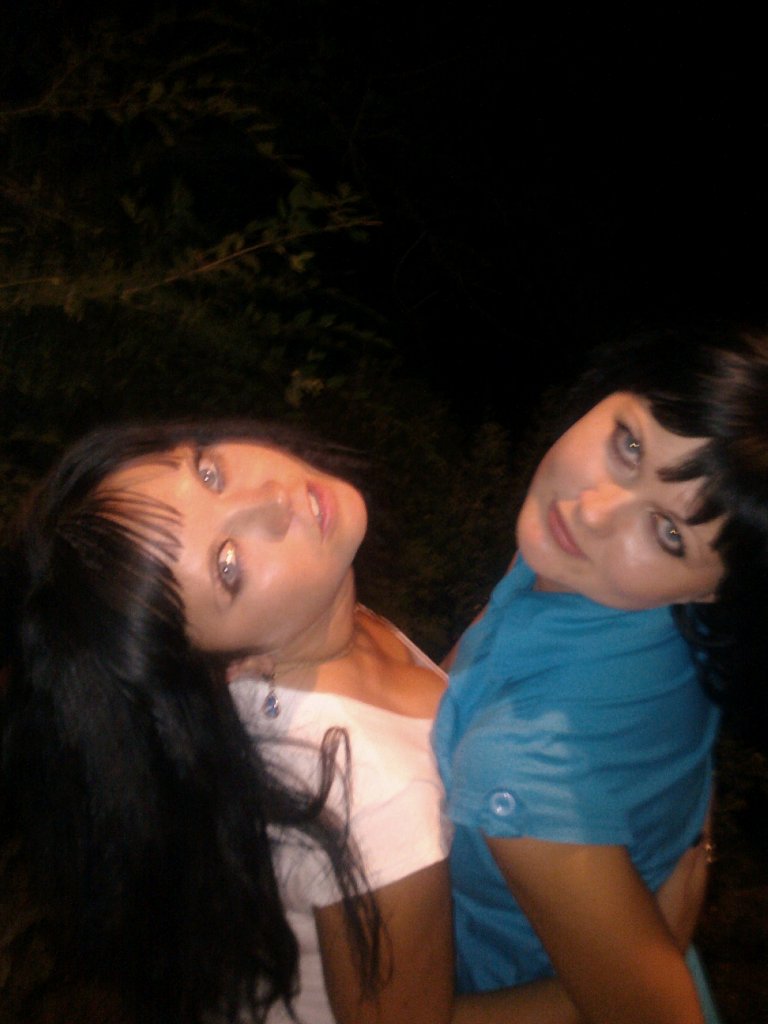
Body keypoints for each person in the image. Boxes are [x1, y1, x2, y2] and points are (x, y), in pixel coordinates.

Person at [0, 415, 709, 1024]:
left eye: (208, 471)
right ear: (230, 670)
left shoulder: (318, 618)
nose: (268, 499)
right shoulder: (373, 799)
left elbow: (449, 698)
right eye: (228, 565)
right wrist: (641, 957)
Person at [433, 324, 768, 1024]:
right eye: (630, 445)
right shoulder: (617, 593)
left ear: (716, 591)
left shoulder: (524, 769)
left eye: (668, 532)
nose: (591, 510)